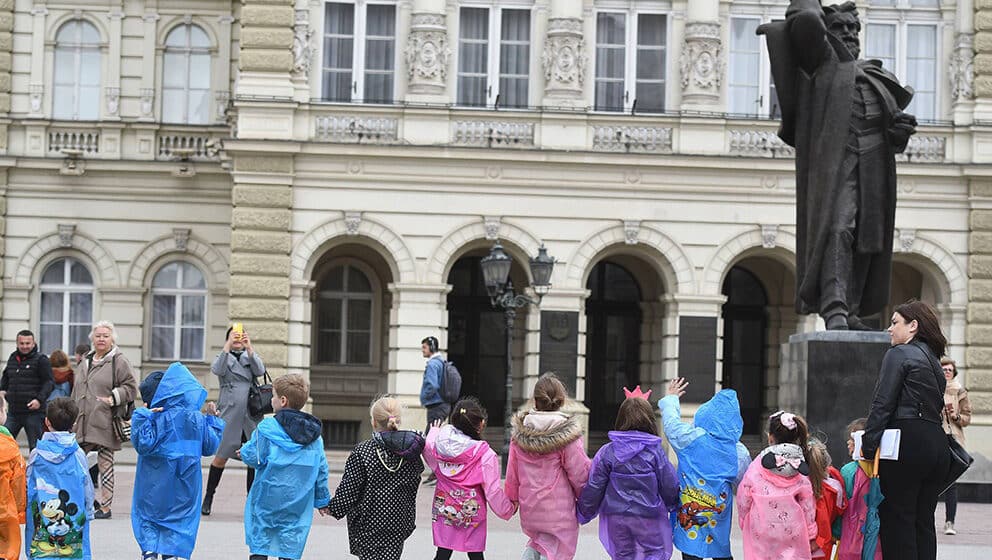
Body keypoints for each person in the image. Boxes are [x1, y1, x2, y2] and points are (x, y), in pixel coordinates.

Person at [759, 1, 917, 330]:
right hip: (839, 159)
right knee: (839, 227)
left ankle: (853, 308)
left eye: (853, 28)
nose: (849, 33)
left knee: (867, 238)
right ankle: (835, 308)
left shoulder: (878, 76)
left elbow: (892, 130)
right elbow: (805, 20)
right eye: (840, 27)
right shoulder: (823, 65)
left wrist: (899, 132)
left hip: (875, 161)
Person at [862, 300, 951, 560]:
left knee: (898, 520)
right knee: (923, 522)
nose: (889, 329)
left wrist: (868, 446)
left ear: (913, 326)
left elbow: (882, 403)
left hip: (907, 443)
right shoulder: (935, 361)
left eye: (894, 323)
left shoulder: (899, 354)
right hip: (936, 446)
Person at [131, 363, 225, 560]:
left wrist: (141, 416)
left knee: (148, 518)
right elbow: (209, 447)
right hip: (186, 484)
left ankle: (149, 551)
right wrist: (213, 422)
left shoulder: (154, 418)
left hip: (152, 484)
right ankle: (171, 554)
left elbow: (142, 444)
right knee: (180, 520)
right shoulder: (195, 418)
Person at [577, 391, 679, 560]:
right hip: (648, 518)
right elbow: (668, 484)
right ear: (649, 420)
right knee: (653, 554)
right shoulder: (654, 452)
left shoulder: (607, 452)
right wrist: (674, 504)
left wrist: (584, 512)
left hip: (617, 519)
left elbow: (595, 487)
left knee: (623, 556)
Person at [240, 373, 330, 560]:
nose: (270, 399)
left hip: (268, 496)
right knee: (290, 541)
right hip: (298, 499)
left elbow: (255, 457)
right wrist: (322, 500)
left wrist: (244, 452)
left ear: (282, 400)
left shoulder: (268, 428)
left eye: (272, 395)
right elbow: (321, 469)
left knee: (261, 541)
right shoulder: (314, 435)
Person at [659, 378, 751, 560]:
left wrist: (671, 399)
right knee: (720, 549)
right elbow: (746, 483)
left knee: (691, 550)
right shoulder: (738, 452)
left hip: (690, 519)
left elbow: (671, 425)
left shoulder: (691, 439)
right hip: (718, 518)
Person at [327, 396, 425, 560]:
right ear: (398, 421)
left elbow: (350, 487)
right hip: (399, 520)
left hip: (368, 520)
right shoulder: (411, 452)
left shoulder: (363, 451)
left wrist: (334, 508)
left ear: (373, 422)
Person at [505, 373, 591, 560]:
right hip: (559, 512)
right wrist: (586, 501)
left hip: (531, 507)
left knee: (538, 543)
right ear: (561, 401)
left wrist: (511, 501)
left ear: (535, 401)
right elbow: (580, 474)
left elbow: (512, 474)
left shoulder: (519, 435)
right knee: (557, 550)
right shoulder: (567, 436)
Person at [422, 396, 516, 560]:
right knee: (476, 554)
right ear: (480, 424)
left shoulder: (440, 446)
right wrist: (508, 509)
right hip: (472, 514)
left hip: (445, 510)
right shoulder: (485, 455)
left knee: (442, 553)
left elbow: (428, 448)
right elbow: (492, 491)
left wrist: (434, 432)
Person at [71, 320, 138, 519]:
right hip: (82, 422)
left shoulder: (118, 360)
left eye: (105, 336)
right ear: (92, 339)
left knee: (105, 465)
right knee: (76, 463)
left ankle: (106, 507)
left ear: (112, 339)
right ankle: (85, 501)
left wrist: (113, 398)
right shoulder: (86, 360)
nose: (101, 339)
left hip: (105, 421)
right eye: (98, 336)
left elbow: (131, 387)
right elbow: (77, 390)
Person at [203, 324, 266, 516]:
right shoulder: (223, 357)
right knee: (221, 456)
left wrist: (249, 348)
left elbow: (260, 370)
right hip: (230, 411)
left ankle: (251, 502)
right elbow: (217, 370)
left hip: (249, 412)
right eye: (234, 336)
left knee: (253, 458)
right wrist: (227, 346)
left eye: (240, 335)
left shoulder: (250, 357)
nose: (238, 339)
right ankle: (208, 497)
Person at [737, 411, 817, 560]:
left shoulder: (757, 465)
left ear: (770, 437)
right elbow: (808, 503)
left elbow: (744, 495)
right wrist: (811, 531)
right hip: (793, 529)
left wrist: (743, 519)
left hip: (761, 529)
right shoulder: (800, 468)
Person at [25, 398, 95, 560]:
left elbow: (28, 485)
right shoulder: (78, 455)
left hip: (40, 520)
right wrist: (89, 511)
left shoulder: (37, 455)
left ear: (47, 422)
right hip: (74, 520)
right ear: (74, 424)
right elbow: (87, 487)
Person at [835, 418, 882, 560]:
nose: (848, 443)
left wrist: (835, 533)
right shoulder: (883, 471)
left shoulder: (848, 472)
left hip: (850, 540)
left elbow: (840, 506)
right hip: (877, 542)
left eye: (852, 439)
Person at [1, 329, 55, 450]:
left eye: (28, 343)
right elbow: (6, 376)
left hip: (33, 413)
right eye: (22, 343)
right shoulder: (13, 358)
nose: (25, 346)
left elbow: (49, 382)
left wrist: (39, 400)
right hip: (14, 411)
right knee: (3, 442)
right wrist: (2, 391)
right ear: (17, 343)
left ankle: (36, 469)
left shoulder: (41, 360)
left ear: (33, 343)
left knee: (36, 448)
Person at [940, 357, 970, 536]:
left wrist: (955, 415)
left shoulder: (960, 391)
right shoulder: (933, 388)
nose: (947, 372)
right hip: (935, 436)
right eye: (944, 369)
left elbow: (967, 418)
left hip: (953, 438)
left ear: (954, 372)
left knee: (951, 483)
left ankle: (949, 522)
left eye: (949, 370)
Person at [808, 439, 846, 559]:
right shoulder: (836, 486)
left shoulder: (798, 487)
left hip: (799, 544)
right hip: (823, 544)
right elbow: (840, 511)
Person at [420, 336, 449, 485]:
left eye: (424, 347)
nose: (422, 350)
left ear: (431, 347)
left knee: (429, 441)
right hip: (441, 406)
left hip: (436, 406)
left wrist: (424, 397)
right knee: (433, 440)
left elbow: (432, 385)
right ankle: (436, 472)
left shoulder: (432, 364)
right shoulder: (441, 362)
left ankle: (438, 472)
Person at [0, 395, 26, 560]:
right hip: (5, 511)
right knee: (7, 551)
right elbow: (18, 484)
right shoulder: (11, 448)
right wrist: (19, 511)